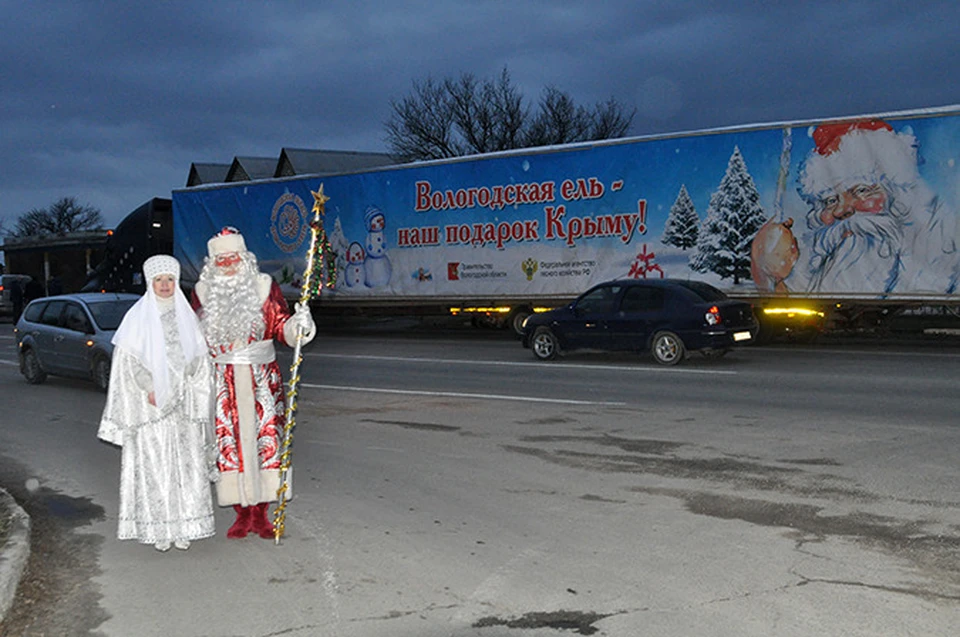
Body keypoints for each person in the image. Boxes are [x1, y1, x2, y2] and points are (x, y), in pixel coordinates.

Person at [191, 227, 316, 540]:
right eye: (222, 259)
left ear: (244, 258)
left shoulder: (263, 287)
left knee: (264, 440)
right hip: (223, 381)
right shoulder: (203, 292)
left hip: (261, 378)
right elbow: (192, 335)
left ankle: (261, 513)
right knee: (229, 444)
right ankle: (241, 513)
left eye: (234, 257)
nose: (229, 263)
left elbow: (279, 326)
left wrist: (297, 326)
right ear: (212, 263)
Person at [751, 119, 959, 296]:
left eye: (861, 190)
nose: (842, 211)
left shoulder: (941, 249)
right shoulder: (815, 256)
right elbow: (782, 292)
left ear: (898, 194)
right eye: (830, 201)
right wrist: (768, 269)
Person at [97, 255, 216, 552]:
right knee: (157, 467)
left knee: (186, 469)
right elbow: (128, 363)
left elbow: (201, 360)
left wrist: (190, 379)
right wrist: (150, 386)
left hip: (183, 409)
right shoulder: (137, 318)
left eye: (170, 280)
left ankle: (186, 524)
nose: (165, 286)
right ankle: (160, 527)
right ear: (150, 283)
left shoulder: (187, 317)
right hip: (153, 410)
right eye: (159, 281)